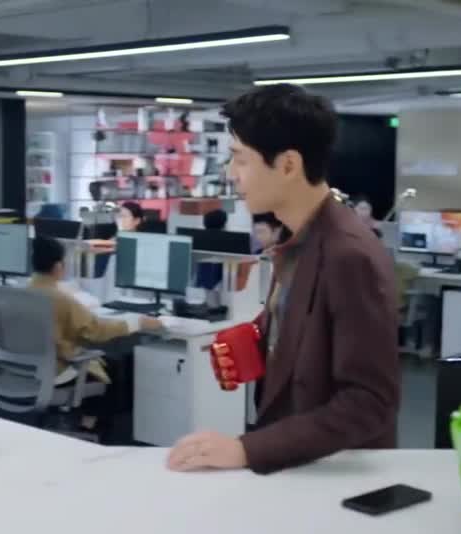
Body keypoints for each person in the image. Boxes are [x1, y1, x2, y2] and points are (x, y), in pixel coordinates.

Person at [166, 84, 400, 475]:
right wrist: (259, 339)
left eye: (240, 159)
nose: (231, 174)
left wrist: (247, 449)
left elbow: (369, 402)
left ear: (288, 165)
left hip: (335, 476)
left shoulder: (348, 254)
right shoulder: (300, 240)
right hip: (300, 464)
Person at [29, 236, 164, 433]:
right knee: (113, 367)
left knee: (102, 359)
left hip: (27, 370)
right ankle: (91, 427)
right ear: (58, 266)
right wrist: (137, 322)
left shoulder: (22, 292)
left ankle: (82, 421)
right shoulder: (60, 299)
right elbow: (97, 331)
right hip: (57, 370)